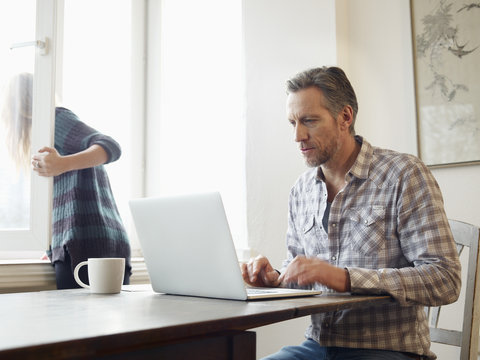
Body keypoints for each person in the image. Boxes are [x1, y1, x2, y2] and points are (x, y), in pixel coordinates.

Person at [241, 66, 461, 360]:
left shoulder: (404, 174)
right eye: (292, 122)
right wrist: (275, 278)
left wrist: (345, 278)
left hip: (389, 351)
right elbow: (301, 275)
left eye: (309, 121)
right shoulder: (301, 190)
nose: (297, 135)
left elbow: (444, 279)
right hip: (317, 347)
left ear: (345, 117)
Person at [1, 72, 131, 289]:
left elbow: (111, 145)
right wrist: (53, 247)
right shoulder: (42, 138)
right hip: (84, 242)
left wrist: (63, 164)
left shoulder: (55, 119)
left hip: (90, 241)